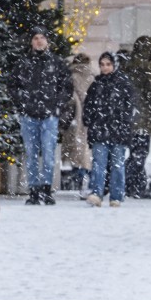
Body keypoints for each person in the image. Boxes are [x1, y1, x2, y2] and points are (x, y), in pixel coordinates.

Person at [8, 27, 73, 206]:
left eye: (42, 37)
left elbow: (67, 87)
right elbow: (13, 86)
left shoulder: (57, 63)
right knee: (31, 154)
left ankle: (46, 189)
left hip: (49, 116)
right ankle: (34, 190)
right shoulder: (23, 63)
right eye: (35, 37)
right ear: (31, 41)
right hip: (29, 116)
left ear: (48, 41)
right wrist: (23, 103)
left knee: (49, 154)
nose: (39, 41)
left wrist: (55, 105)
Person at [82, 52, 135, 208]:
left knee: (117, 166)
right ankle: (97, 193)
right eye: (102, 64)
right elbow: (89, 107)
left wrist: (123, 126)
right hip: (101, 131)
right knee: (99, 164)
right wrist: (90, 122)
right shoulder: (96, 85)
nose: (105, 68)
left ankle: (116, 196)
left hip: (117, 132)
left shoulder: (124, 85)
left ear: (114, 65)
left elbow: (129, 109)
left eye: (108, 64)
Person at [122, 35, 151, 200]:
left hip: (130, 116)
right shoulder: (145, 67)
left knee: (134, 153)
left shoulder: (127, 65)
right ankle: (135, 187)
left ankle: (130, 185)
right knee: (140, 154)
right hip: (141, 117)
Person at [60, 53, 94, 196]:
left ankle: (79, 178)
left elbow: (68, 100)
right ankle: (86, 179)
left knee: (76, 150)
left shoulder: (71, 77)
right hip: (90, 119)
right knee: (87, 151)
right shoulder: (92, 77)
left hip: (75, 119)